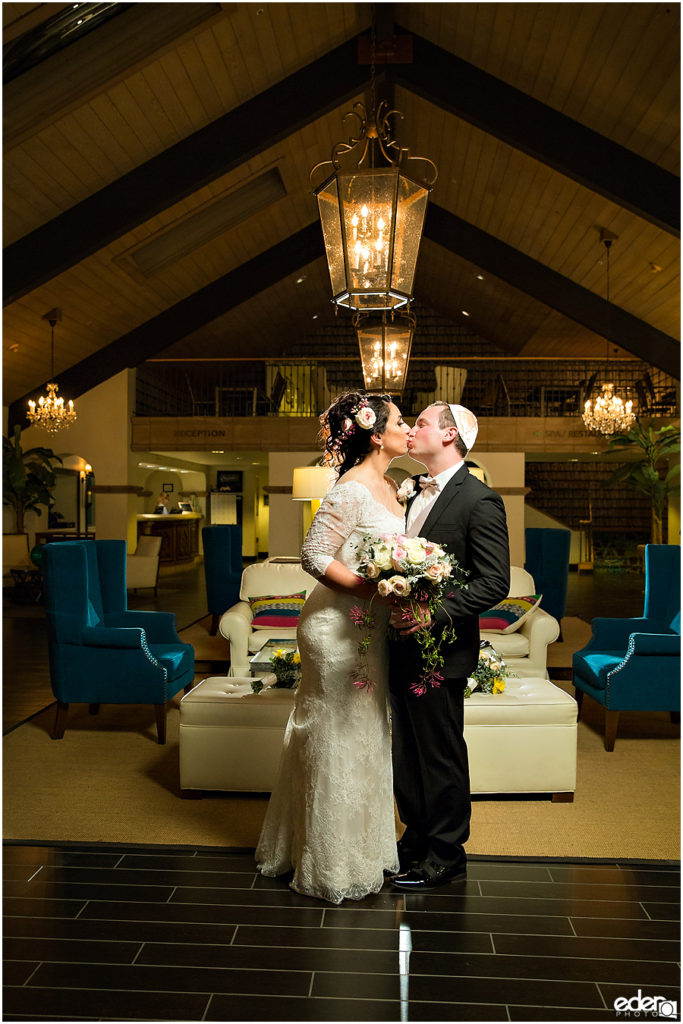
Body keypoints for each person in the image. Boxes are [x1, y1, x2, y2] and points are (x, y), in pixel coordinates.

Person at [256, 391, 411, 904]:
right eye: (401, 421)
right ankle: (329, 862)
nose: (408, 427)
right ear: (374, 432)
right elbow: (313, 554)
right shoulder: (350, 488)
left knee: (368, 730)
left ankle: (368, 850)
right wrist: (373, 590)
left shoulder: (393, 485)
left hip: (371, 627)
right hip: (335, 627)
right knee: (336, 730)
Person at [388, 401, 510, 890]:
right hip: (398, 644)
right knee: (406, 752)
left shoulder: (478, 500)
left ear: (450, 435)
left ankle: (446, 854)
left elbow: (494, 581)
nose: (411, 430)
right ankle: (415, 839)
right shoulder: (411, 492)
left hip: (442, 648)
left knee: (439, 753)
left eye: (419, 423)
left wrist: (432, 613)